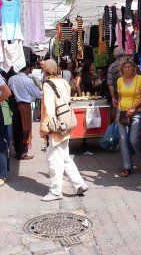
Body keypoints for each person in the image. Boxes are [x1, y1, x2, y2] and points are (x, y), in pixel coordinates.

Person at [40, 59, 88, 201]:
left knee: (54, 159)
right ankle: (80, 184)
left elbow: (49, 109)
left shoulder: (48, 85)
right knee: (64, 156)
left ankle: (55, 192)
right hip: (65, 123)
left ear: (45, 70)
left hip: (55, 126)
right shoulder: (64, 82)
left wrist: (44, 127)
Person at [117, 57, 141, 177]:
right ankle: (127, 166)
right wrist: (119, 111)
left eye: (129, 66)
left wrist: (134, 107)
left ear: (134, 68)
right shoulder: (119, 80)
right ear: (122, 69)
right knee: (123, 140)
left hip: (137, 112)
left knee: (133, 139)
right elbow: (120, 96)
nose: (127, 69)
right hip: (123, 112)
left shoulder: (140, 79)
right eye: (125, 67)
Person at [8, 63, 42, 160]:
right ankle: (22, 153)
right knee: (25, 129)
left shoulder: (12, 79)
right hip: (24, 106)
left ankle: (18, 151)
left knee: (17, 128)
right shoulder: (28, 80)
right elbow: (37, 94)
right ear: (26, 69)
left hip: (15, 106)